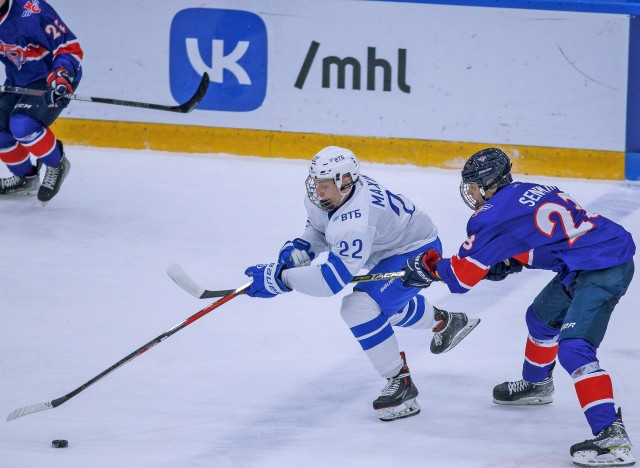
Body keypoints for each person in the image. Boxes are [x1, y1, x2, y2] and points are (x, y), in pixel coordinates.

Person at [402, 147, 635, 467]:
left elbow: (460, 279)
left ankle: (611, 436)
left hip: (602, 267)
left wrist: (430, 267)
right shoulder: (526, 190)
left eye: (472, 185)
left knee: (574, 349)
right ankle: (537, 384)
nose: (469, 192)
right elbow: (553, 237)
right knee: (540, 318)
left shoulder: (491, 216)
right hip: (590, 255)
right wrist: (514, 259)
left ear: (488, 183)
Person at [243, 146, 480, 422]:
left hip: (417, 250)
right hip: (386, 249)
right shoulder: (333, 196)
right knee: (383, 304)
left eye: (326, 184)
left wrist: (280, 280)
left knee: (359, 307)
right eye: (316, 182)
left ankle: (401, 383)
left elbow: (329, 282)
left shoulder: (356, 220)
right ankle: (444, 322)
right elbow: (319, 228)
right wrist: (302, 248)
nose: (318, 191)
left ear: (345, 181)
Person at [0, 0, 82, 205]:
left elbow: (69, 48)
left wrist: (62, 75)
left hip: (50, 78)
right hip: (17, 81)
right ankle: (26, 179)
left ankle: (57, 164)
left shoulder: (32, 11)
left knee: (23, 125)